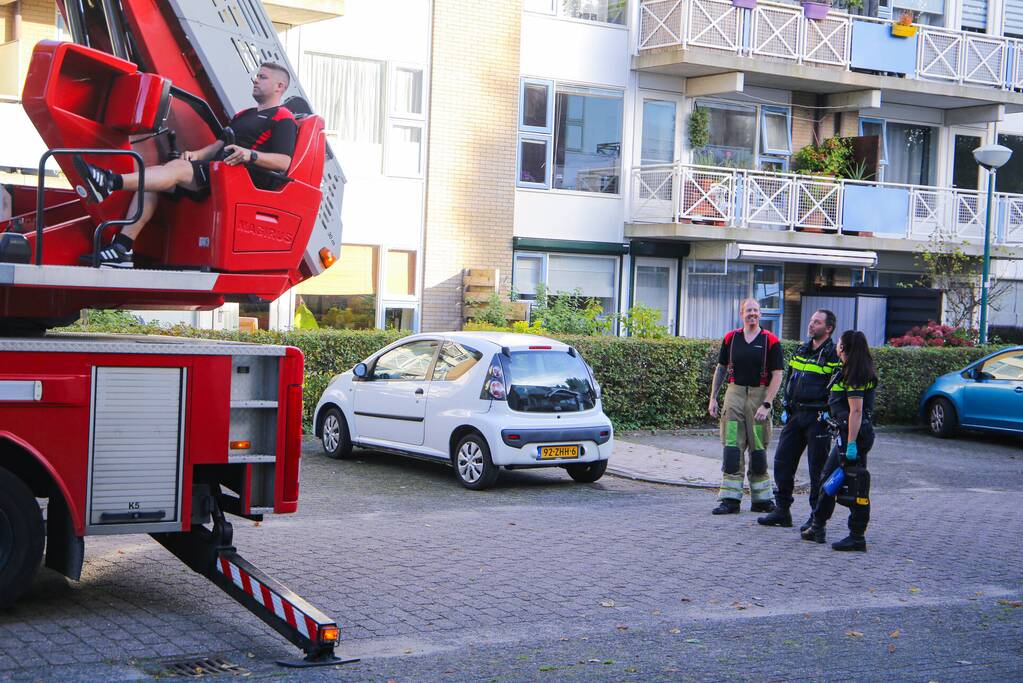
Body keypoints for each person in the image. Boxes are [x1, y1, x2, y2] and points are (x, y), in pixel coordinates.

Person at [72, 61, 298, 268]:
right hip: (216, 170)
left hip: (238, 178)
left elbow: (284, 162)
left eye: (263, 77)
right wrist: (194, 154)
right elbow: (217, 145)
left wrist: (250, 155)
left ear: (279, 86)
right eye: (257, 76)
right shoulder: (243, 114)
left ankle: (110, 181)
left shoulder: (283, 117)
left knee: (175, 171)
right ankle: (122, 248)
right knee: (154, 182)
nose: (256, 80)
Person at [757, 309, 840, 531]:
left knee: (817, 471)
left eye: (817, 322)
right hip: (796, 415)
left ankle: (816, 518)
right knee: (782, 462)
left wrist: (829, 414)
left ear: (828, 328)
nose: (811, 325)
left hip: (818, 418)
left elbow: (835, 391)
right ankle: (782, 511)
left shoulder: (833, 355)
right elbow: (789, 380)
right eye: (811, 321)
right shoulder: (801, 350)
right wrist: (785, 405)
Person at [801, 330, 877, 551]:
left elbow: (856, 412)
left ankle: (856, 535)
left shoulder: (855, 374)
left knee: (856, 483)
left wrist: (851, 443)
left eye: (840, 343)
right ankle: (818, 526)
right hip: (848, 434)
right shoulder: (848, 370)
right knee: (830, 480)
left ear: (843, 348)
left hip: (854, 436)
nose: (836, 346)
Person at [708, 298, 784, 515]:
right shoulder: (731, 339)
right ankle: (730, 500)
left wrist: (767, 403)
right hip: (734, 394)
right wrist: (713, 397)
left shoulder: (771, 341)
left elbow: (777, 375)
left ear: (760, 314)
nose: (753, 313)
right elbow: (721, 368)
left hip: (759, 395)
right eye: (749, 310)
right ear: (742, 314)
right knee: (732, 446)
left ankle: (761, 500)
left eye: (756, 310)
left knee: (758, 448)